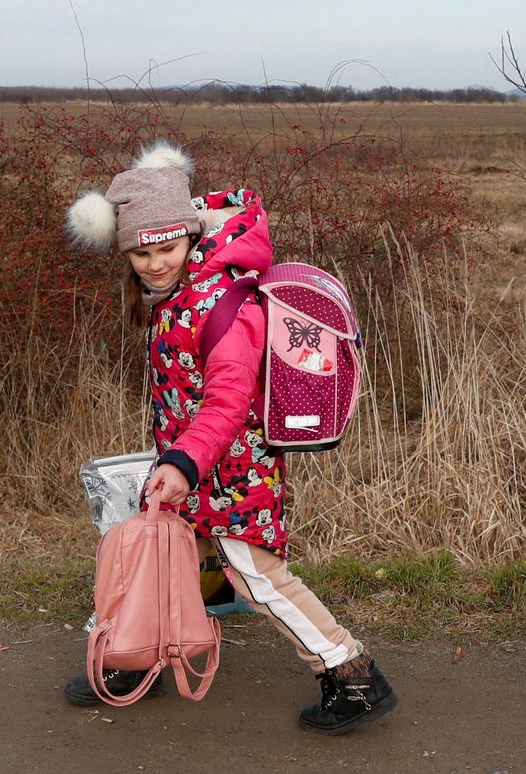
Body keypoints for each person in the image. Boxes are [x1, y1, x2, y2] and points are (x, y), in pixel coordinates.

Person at [58, 142, 397, 735]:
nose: (155, 263)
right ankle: (135, 658)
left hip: (232, 468)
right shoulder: (178, 294)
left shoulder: (221, 302)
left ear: (190, 235)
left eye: (166, 248)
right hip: (195, 459)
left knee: (256, 573)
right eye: (140, 252)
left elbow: (228, 400)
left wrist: (184, 462)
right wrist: (181, 459)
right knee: (164, 551)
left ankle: (350, 669)